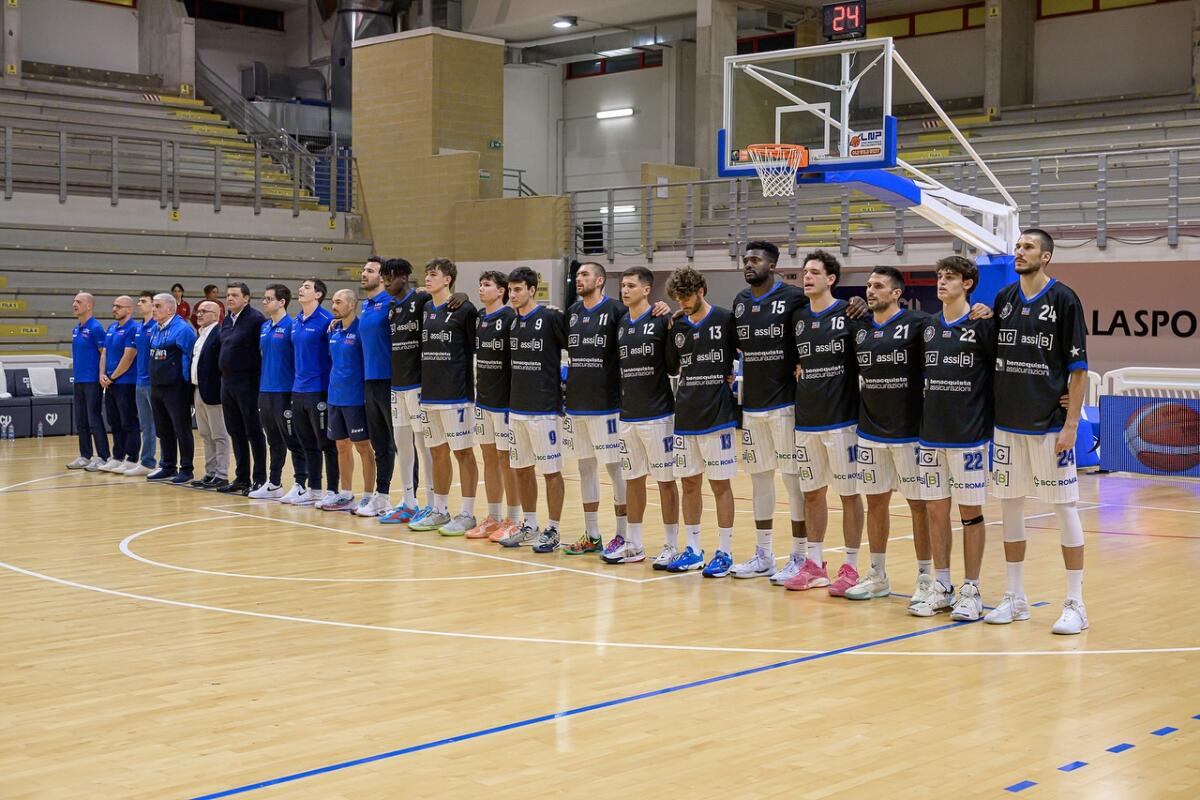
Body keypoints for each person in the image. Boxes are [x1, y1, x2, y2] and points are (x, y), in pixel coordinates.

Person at [986, 228, 1090, 635]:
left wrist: (1071, 424)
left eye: (1028, 247)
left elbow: (1078, 370)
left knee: (1065, 508)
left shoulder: (1064, 299)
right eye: (1017, 246)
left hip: (1049, 426)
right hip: (1008, 426)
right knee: (1010, 507)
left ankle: (1076, 603)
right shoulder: (1005, 299)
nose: (1019, 252)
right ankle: (1015, 597)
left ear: (1046, 256)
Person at [911, 255, 996, 619]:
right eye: (940, 277)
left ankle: (971, 589)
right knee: (935, 511)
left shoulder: (982, 325)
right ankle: (942, 585)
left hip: (969, 435)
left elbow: (1001, 375)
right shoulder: (928, 327)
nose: (942, 283)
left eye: (950, 277)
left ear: (968, 284)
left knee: (970, 513)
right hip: (930, 436)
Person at [844, 267, 932, 602]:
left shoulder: (919, 324)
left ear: (896, 293)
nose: (870, 291)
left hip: (910, 433)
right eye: (868, 286)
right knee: (876, 503)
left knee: (918, 506)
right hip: (870, 431)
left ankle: (925, 577)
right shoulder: (861, 327)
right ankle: (877, 574)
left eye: (878, 286)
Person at [786, 250, 865, 595]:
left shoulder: (849, 313)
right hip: (807, 420)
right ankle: (814, 565)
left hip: (842, 421)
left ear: (831, 279)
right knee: (812, 494)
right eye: (805, 272)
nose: (807, 277)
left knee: (848, 495)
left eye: (815, 272)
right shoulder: (798, 317)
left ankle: (850, 566)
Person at [729, 241, 808, 580]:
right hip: (753, 407)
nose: (749, 265)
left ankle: (801, 557)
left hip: (786, 405)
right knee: (759, 480)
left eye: (756, 260)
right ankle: (763, 554)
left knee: (793, 482)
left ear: (772, 265)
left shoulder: (793, 299)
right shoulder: (741, 302)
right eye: (746, 260)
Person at [662, 267, 739, 575]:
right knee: (689, 483)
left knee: (720, 484)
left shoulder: (724, 318)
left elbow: (746, 353)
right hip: (686, 413)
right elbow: (671, 366)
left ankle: (725, 551)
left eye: (686, 296)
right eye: (677, 298)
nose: (682, 302)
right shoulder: (676, 325)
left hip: (718, 413)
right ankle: (693, 548)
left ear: (701, 291)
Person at [605, 266, 680, 566]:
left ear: (647, 290)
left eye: (631, 286)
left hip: (658, 414)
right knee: (633, 479)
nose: (625, 290)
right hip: (629, 415)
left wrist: (670, 318)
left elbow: (673, 368)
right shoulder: (622, 322)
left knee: (665, 481)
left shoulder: (661, 318)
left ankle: (671, 544)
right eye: (623, 285)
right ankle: (634, 543)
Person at [560, 262, 629, 555]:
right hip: (577, 404)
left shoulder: (616, 311)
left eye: (585, 275)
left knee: (616, 469)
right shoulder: (572, 313)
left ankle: (624, 535)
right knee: (585, 468)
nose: (579, 279)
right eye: (577, 275)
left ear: (599, 280)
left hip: (607, 404)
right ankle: (592, 534)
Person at [407, 258, 480, 534]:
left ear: (447, 279)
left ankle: (468, 513)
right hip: (430, 393)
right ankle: (439, 509)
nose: (427, 278)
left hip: (457, 395)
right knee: (437, 452)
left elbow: (476, 350)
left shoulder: (464, 308)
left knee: (463, 452)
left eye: (433, 274)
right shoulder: (426, 308)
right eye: (426, 274)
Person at [498, 267, 568, 551]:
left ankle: (553, 528)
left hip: (545, 409)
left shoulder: (551, 317)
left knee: (551, 471)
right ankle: (529, 524)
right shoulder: (512, 323)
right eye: (510, 290)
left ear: (531, 290)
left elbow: (574, 350)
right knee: (522, 470)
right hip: (517, 409)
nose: (513, 295)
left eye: (517, 289)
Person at [467, 270, 523, 541]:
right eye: (480, 284)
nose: (482, 289)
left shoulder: (510, 318)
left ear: (501, 291)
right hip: (484, 399)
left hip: (504, 402)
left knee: (506, 459)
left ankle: (514, 518)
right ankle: (493, 516)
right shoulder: (480, 317)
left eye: (486, 285)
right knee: (488, 456)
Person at [379, 258, 434, 524]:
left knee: (425, 445)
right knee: (403, 444)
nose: (387, 282)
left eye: (390, 277)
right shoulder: (392, 308)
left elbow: (448, 303)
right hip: (397, 385)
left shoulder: (421, 300)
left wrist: (460, 293)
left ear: (403, 277)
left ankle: (434, 504)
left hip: (418, 385)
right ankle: (409, 501)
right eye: (384, 278)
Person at [317, 288, 375, 512]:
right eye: (333, 302)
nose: (334, 306)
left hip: (355, 399)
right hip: (335, 397)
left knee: (363, 446)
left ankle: (369, 495)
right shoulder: (333, 330)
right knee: (341, 446)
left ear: (352, 305)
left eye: (339, 302)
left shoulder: (361, 330)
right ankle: (346, 493)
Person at [251, 284, 309, 502]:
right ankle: (274, 483)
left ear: (282, 302)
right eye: (264, 298)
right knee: (273, 440)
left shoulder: (292, 327)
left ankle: (302, 484)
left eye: (268, 299)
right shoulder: (265, 327)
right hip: (265, 390)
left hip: (285, 391)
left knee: (293, 439)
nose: (264, 302)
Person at [290, 279, 339, 506]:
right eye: (301, 286)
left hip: (319, 390)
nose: (301, 289)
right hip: (298, 390)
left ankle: (332, 490)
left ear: (318, 295)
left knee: (326, 443)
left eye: (307, 287)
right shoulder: (296, 321)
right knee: (307, 441)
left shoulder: (327, 321)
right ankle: (314, 489)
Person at [354, 257, 397, 517]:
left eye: (370, 271)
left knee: (399, 443)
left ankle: (410, 499)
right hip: (370, 381)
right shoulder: (367, 308)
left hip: (391, 381)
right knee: (380, 443)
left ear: (383, 277)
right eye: (364, 270)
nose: (364, 274)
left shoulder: (391, 304)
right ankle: (382, 497)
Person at [217, 283, 267, 495]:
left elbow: (263, 351)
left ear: (246, 298)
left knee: (253, 431)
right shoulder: (227, 320)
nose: (230, 298)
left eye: (235, 295)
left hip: (247, 382)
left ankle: (260, 479)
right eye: (228, 295)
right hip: (227, 383)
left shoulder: (255, 320)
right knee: (235, 431)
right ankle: (242, 478)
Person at [147, 293, 197, 484]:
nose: (154, 310)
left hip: (176, 387)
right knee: (163, 428)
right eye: (153, 306)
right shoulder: (155, 328)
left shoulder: (182, 329)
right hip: (157, 386)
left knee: (181, 428)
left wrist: (187, 385)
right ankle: (168, 465)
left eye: (157, 306)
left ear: (170, 309)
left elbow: (191, 356)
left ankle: (186, 469)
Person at [66, 292, 111, 471]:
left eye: (78, 301)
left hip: (92, 381)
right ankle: (85, 455)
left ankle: (103, 457)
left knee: (94, 418)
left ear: (89, 306)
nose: (74, 304)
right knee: (81, 419)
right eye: (74, 300)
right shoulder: (76, 329)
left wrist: (102, 375)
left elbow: (104, 353)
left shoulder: (96, 328)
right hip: (79, 380)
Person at [189, 301, 230, 490]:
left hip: (213, 392)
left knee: (219, 435)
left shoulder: (219, 334)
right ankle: (210, 472)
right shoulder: (200, 335)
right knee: (205, 434)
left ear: (216, 314)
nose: (199, 314)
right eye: (198, 311)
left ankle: (221, 474)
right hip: (199, 390)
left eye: (204, 311)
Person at [98, 296, 140, 473]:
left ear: (129, 309)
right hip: (110, 382)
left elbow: (128, 357)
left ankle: (131, 458)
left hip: (125, 382)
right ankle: (117, 456)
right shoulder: (111, 328)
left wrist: (113, 377)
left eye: (119, 306)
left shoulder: (134, 329)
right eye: (114, 305)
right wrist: (102, 374)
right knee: (114, 421)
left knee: (128, 421)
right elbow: (104, 354)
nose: (114, 309)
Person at [125, 291, 158, 477]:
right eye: (139, 301)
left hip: (153, 382)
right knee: (146, 424)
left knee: (157, 425)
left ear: (153, 305)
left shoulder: (156, 326)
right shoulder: (139, 327)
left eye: (143, 301)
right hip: (140, 381)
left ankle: (157, 461)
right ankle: (146, 461)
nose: (139, 304)